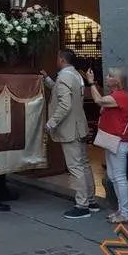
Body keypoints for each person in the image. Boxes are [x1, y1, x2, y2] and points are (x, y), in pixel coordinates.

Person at [41, 49, 99, 219]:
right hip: (79, 126)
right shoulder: (75, 75)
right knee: (84, 164)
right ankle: (90, 199)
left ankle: (82, 206)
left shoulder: (65, 77)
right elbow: (63, 91)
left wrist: (51, 123)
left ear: (61, 60)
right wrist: (48, 80)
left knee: (75, 167)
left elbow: (65, 104)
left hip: (69, 129)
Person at [85, 67, 128, 223]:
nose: (107, 77)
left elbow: (98, 101)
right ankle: (121, 210)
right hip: (113, 140)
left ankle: (126, 212)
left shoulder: (121, 96)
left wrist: (91, 83)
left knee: (119, 177)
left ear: (117, 80)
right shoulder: (116, 95)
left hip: (118, 141)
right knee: (113, 176)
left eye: (110, 76)